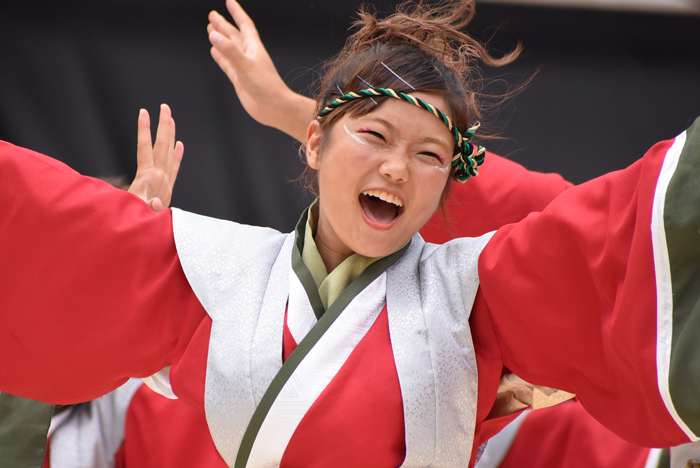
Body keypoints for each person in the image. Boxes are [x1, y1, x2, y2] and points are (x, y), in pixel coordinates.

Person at [1, 1, 699, 468]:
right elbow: (40, 228)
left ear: (451, 183)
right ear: (313, 142)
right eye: (374, 137)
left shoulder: (476, 299)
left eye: (429, 156)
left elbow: (603, 237)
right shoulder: (212, 272)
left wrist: (286, 108)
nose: (397, 168)